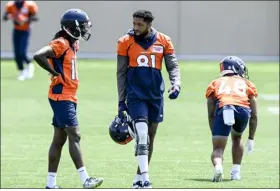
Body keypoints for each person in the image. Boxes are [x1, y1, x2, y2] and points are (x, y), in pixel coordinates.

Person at [33, 9, 104, 189]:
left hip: (68, 95)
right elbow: (39, 55)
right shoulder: (62, 43)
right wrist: (54, 72)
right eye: (83, 27)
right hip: (61, 96)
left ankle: (51, 184)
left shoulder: (72, 43)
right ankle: (85, 179)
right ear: (73, 27)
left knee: (59, 140)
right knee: (75, 135)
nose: (86, 30)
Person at [116, 10, 181, 188]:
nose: (135, 27)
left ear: (149, 24)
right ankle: (146, 179)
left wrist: (176, 83)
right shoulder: (125, 42)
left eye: (140, 24)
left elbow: (172, 66)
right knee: (142, 133)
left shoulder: (164, 40)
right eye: (134, 23)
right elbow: (121, 73)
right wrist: (121, 101)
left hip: (155, 95)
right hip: (135, 95)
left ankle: (138, 178)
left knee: (150, 137)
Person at [205, 56, 258, 182]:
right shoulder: (247, 83)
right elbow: (254, 114)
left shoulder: (215, 83)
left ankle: (218, 167)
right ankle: (236, 172)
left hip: (223, 107)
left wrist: (215, 131)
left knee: (218, 148)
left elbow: (210, 112)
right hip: (242, 109)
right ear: (237, 68)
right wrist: (251, 138)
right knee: (237, 137)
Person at [2, 0, 38, 81]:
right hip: (16, 30)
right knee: (16, 53)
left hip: (25, 30)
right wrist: (11, 16)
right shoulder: (11, 5)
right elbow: (4, 17)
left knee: (22, 52)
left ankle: (29, 65)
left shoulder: (29, 5)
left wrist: (25, 19)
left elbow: (35, 17)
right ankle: (22, 71)